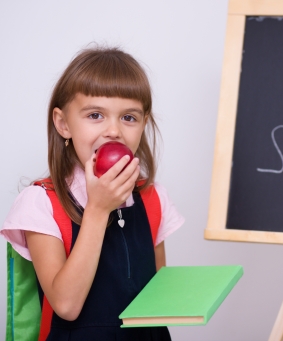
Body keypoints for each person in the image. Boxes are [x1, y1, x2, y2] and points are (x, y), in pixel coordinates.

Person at [1, 46, 184, 340]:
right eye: (96, 115)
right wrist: (98, 210)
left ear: (143, 125)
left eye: (129, 118)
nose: (114, 131)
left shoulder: (153, 198)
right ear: (63, 124)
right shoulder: (41, 203)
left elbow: (156, 295)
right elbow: (66, 305)